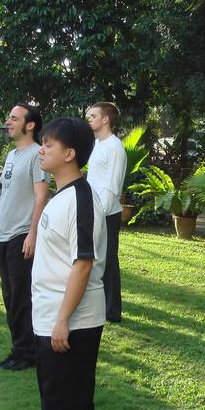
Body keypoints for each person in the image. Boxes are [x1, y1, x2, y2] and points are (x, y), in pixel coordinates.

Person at [28, 117, 106, 410]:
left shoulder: (82, 198)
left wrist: (63, 320)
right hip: (49, 317)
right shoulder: (61, 196)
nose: (41, 149)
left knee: (70, 399)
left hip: (72, 321)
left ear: (70, 154)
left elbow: (84, 262)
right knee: (54, 397)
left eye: (49, 145)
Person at [0, 103, 49, 371]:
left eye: (14, 118)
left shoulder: (37, 154)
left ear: (30, 124)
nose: (8, 122)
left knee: (21, 297)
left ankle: (27, 354)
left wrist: (33, 234)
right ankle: (19, 349)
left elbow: (41, 197)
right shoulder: (12, 155)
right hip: (4, 235)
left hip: (22, 235)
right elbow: (5, 195)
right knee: (10, 297)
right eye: (8, 117)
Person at [85, 102, 127, 322]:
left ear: (106, 119)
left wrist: (99, 215)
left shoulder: (114, 147)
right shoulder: (96, 144)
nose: (89, 119)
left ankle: (112, 311)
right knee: (95, 259)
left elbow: (111, 186)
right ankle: (100, 304)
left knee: (108, 260)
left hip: (107, 213)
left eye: (93, 115)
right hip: (94, 210)